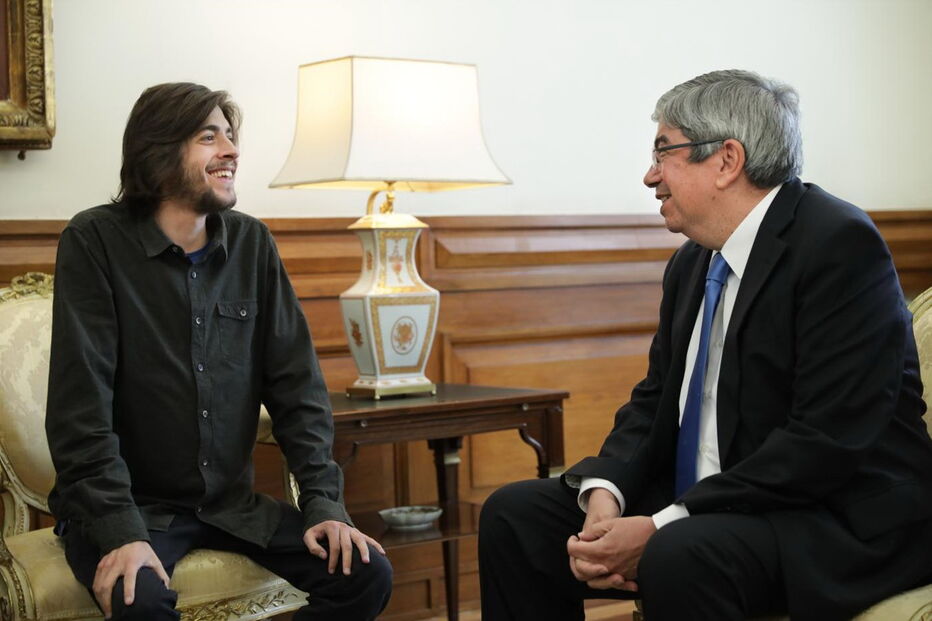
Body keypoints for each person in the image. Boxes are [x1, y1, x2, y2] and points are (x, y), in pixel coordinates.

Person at [478, 69, 932, 620]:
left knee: (678, 551)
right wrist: (607, 494)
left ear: (726, 161)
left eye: (663, 152)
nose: (650, 176)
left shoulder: (838, 245)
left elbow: (825, 440)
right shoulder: (694, 262)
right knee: (516, 515)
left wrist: (662, 523)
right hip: (721, 501)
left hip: (832, 513)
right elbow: (652, 401)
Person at [45, 82, 393, 620]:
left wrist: (325, 505)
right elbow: (80, 412)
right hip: (130, 507)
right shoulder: (94, 242)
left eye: (231, 137)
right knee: (140, 602)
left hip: (230, 508)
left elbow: (298, 390)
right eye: (210, 137)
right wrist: (120, 532)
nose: (232, 151)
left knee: (365, 573)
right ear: (159, 152)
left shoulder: (252, 244)